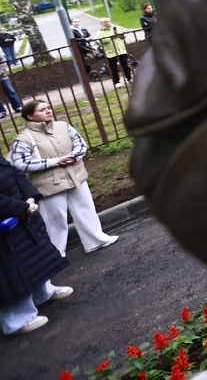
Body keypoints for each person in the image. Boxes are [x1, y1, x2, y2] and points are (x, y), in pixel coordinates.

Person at [9, 99, 119, 256]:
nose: (48, 111)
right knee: (55, 221)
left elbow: (80, 143)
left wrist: (75, 155)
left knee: (86, 209)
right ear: (30, 117)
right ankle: (56, 254)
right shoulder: (24, 138)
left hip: (75, 176)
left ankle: (95, 240)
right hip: (49, 184)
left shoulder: (63, 126)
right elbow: (21, 163)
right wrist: (55, 162)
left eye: (48, 107)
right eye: (42, 110)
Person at [0, 152, 73, 335]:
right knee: (10, 271)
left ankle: (43, 293)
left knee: (34, 256)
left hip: (20, 213)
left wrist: (29, 198)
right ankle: (17, 320)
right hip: (5, 223)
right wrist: (22, 207)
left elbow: (14, 172)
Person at [95, 18, 133, 88]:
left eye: (108, 21)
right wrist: (111, 37)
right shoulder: (100, 32)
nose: (108, 23)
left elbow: (124, 36)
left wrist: (119, 34)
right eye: (105, 22)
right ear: (101, 24)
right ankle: (117, 82)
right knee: (113, 68)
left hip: (121, 50)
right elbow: (101, 41)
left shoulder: (115, 28)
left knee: (125, 65)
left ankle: (129, 78)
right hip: (111, 52)